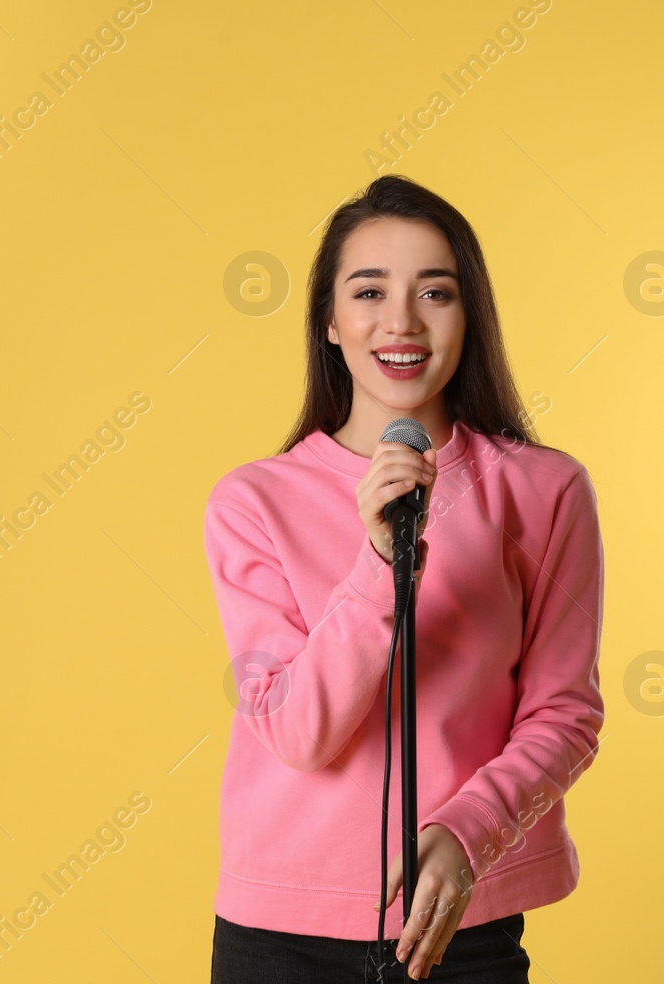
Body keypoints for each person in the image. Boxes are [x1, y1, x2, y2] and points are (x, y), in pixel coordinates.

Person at [203, 174, 605, 982]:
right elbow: (297, 731)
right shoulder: (252, 501)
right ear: (329, 319)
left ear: (470, 316)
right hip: (279, 934)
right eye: (369, 291)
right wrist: (382, 560)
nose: (401, 322)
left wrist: (469, 835)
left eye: (435, 291)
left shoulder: (545, 490)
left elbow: (565, 713)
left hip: (462, 927)